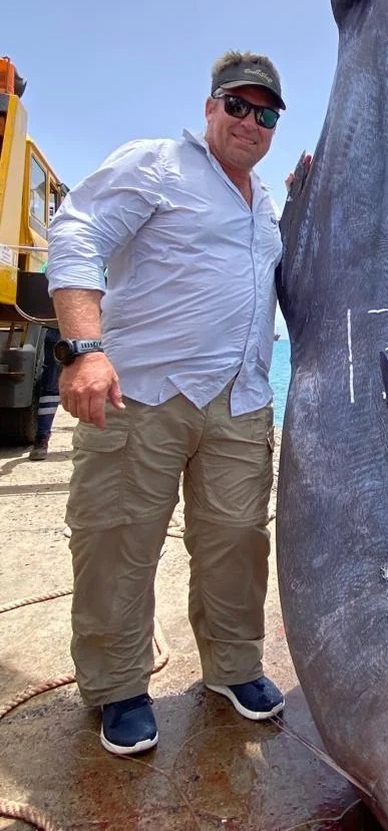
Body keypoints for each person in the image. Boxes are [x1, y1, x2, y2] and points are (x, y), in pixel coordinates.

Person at [46, 50, 286, 756]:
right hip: (141, 392)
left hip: (240, 398)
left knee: (239, 541)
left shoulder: (265, 202)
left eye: (265, 112)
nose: (250, 121)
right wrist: (85, 349)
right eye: (237, 105)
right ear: (210, 106)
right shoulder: (157, 164)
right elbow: (78, 228)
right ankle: (118, 684)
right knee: (118, 540)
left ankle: (233, 667)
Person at [29, 325, 61, 461]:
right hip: (58, 326)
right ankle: (42, 436)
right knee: (50, 383)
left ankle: (41, 439)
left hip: (95, 324)